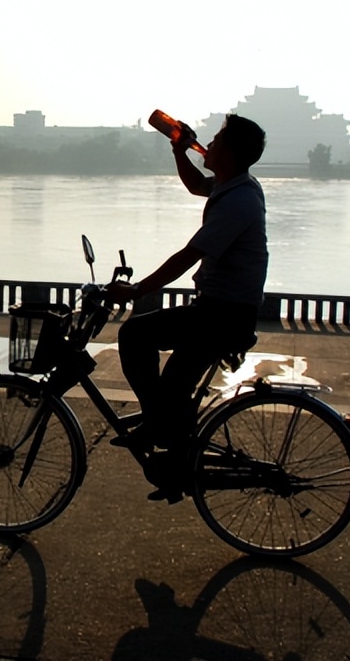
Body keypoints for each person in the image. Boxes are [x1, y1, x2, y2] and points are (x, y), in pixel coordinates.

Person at [104, 113, 268, 496]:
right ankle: (174, 454)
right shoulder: (234, 185)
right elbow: (197, 185)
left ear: (229, 153)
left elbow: (189, 255)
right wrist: (179, 150)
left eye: (218, 140)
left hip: (223, 316)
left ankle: (158, 427)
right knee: (172, 389)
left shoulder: (240, 201)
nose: (208, 143)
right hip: (220, 311)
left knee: (135, 336)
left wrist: (137, 289)